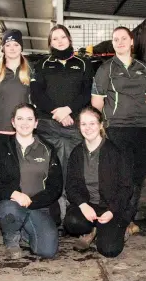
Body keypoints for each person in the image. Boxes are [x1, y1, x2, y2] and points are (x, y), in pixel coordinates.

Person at [91, 26, 146, 233]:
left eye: (123, 38)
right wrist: (100, 128)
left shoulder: (143, 68)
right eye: (115, 39)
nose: (120, 42)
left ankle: (128, 218)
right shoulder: (105, 69)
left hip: (141, 129)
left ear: (132, 41)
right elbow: (96, 103)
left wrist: (145, 105)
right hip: (116, 129)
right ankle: (114, 218)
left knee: (137, 177)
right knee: (120, 177)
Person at [30, 24, 93, 220]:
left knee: (75, 168)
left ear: (69, 39)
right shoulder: (41, 65)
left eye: (62, 37)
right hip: (49, 125)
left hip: (74, 125)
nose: (59, 41)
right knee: (51, 169)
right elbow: (36, 94)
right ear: (50, 43)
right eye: (55, 38)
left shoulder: (83, 63)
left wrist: (69, 110)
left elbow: (86, 93)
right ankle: (52, 213)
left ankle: (74, 213)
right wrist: (56, 112)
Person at [0, 103, 63, 259]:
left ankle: (25, 231)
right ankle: (11, 240)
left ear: (36, 123)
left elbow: (55, 186)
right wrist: (13, 194)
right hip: (11, 204)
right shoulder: (0, 147)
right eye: (20, 118)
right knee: (10, 210)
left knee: (47, 251)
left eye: (29, 119)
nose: (25, 123)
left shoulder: (48, 148)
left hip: (38, 206)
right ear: (13, 122)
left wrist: (33, 201)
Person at [64, 107, 133, 257]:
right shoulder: (76, 153)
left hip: (110, 207)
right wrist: (83, 205)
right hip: (89, 206)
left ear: (101, 125)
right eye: (83, 124)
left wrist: (112, 210)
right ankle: (91, 230)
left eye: (92, 123)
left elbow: (126, 187)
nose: (88, 128)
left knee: (109, 250)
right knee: (72, 222)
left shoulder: (115, 152)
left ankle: (120, 227)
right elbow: (71, 185)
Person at [0, 29, 31, 147]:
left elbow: (35, 101)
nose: (12, 48)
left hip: (23, 128)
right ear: (3, 48)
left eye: (16, 44)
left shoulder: (30, 70)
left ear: (21, 47)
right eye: (8, 45)